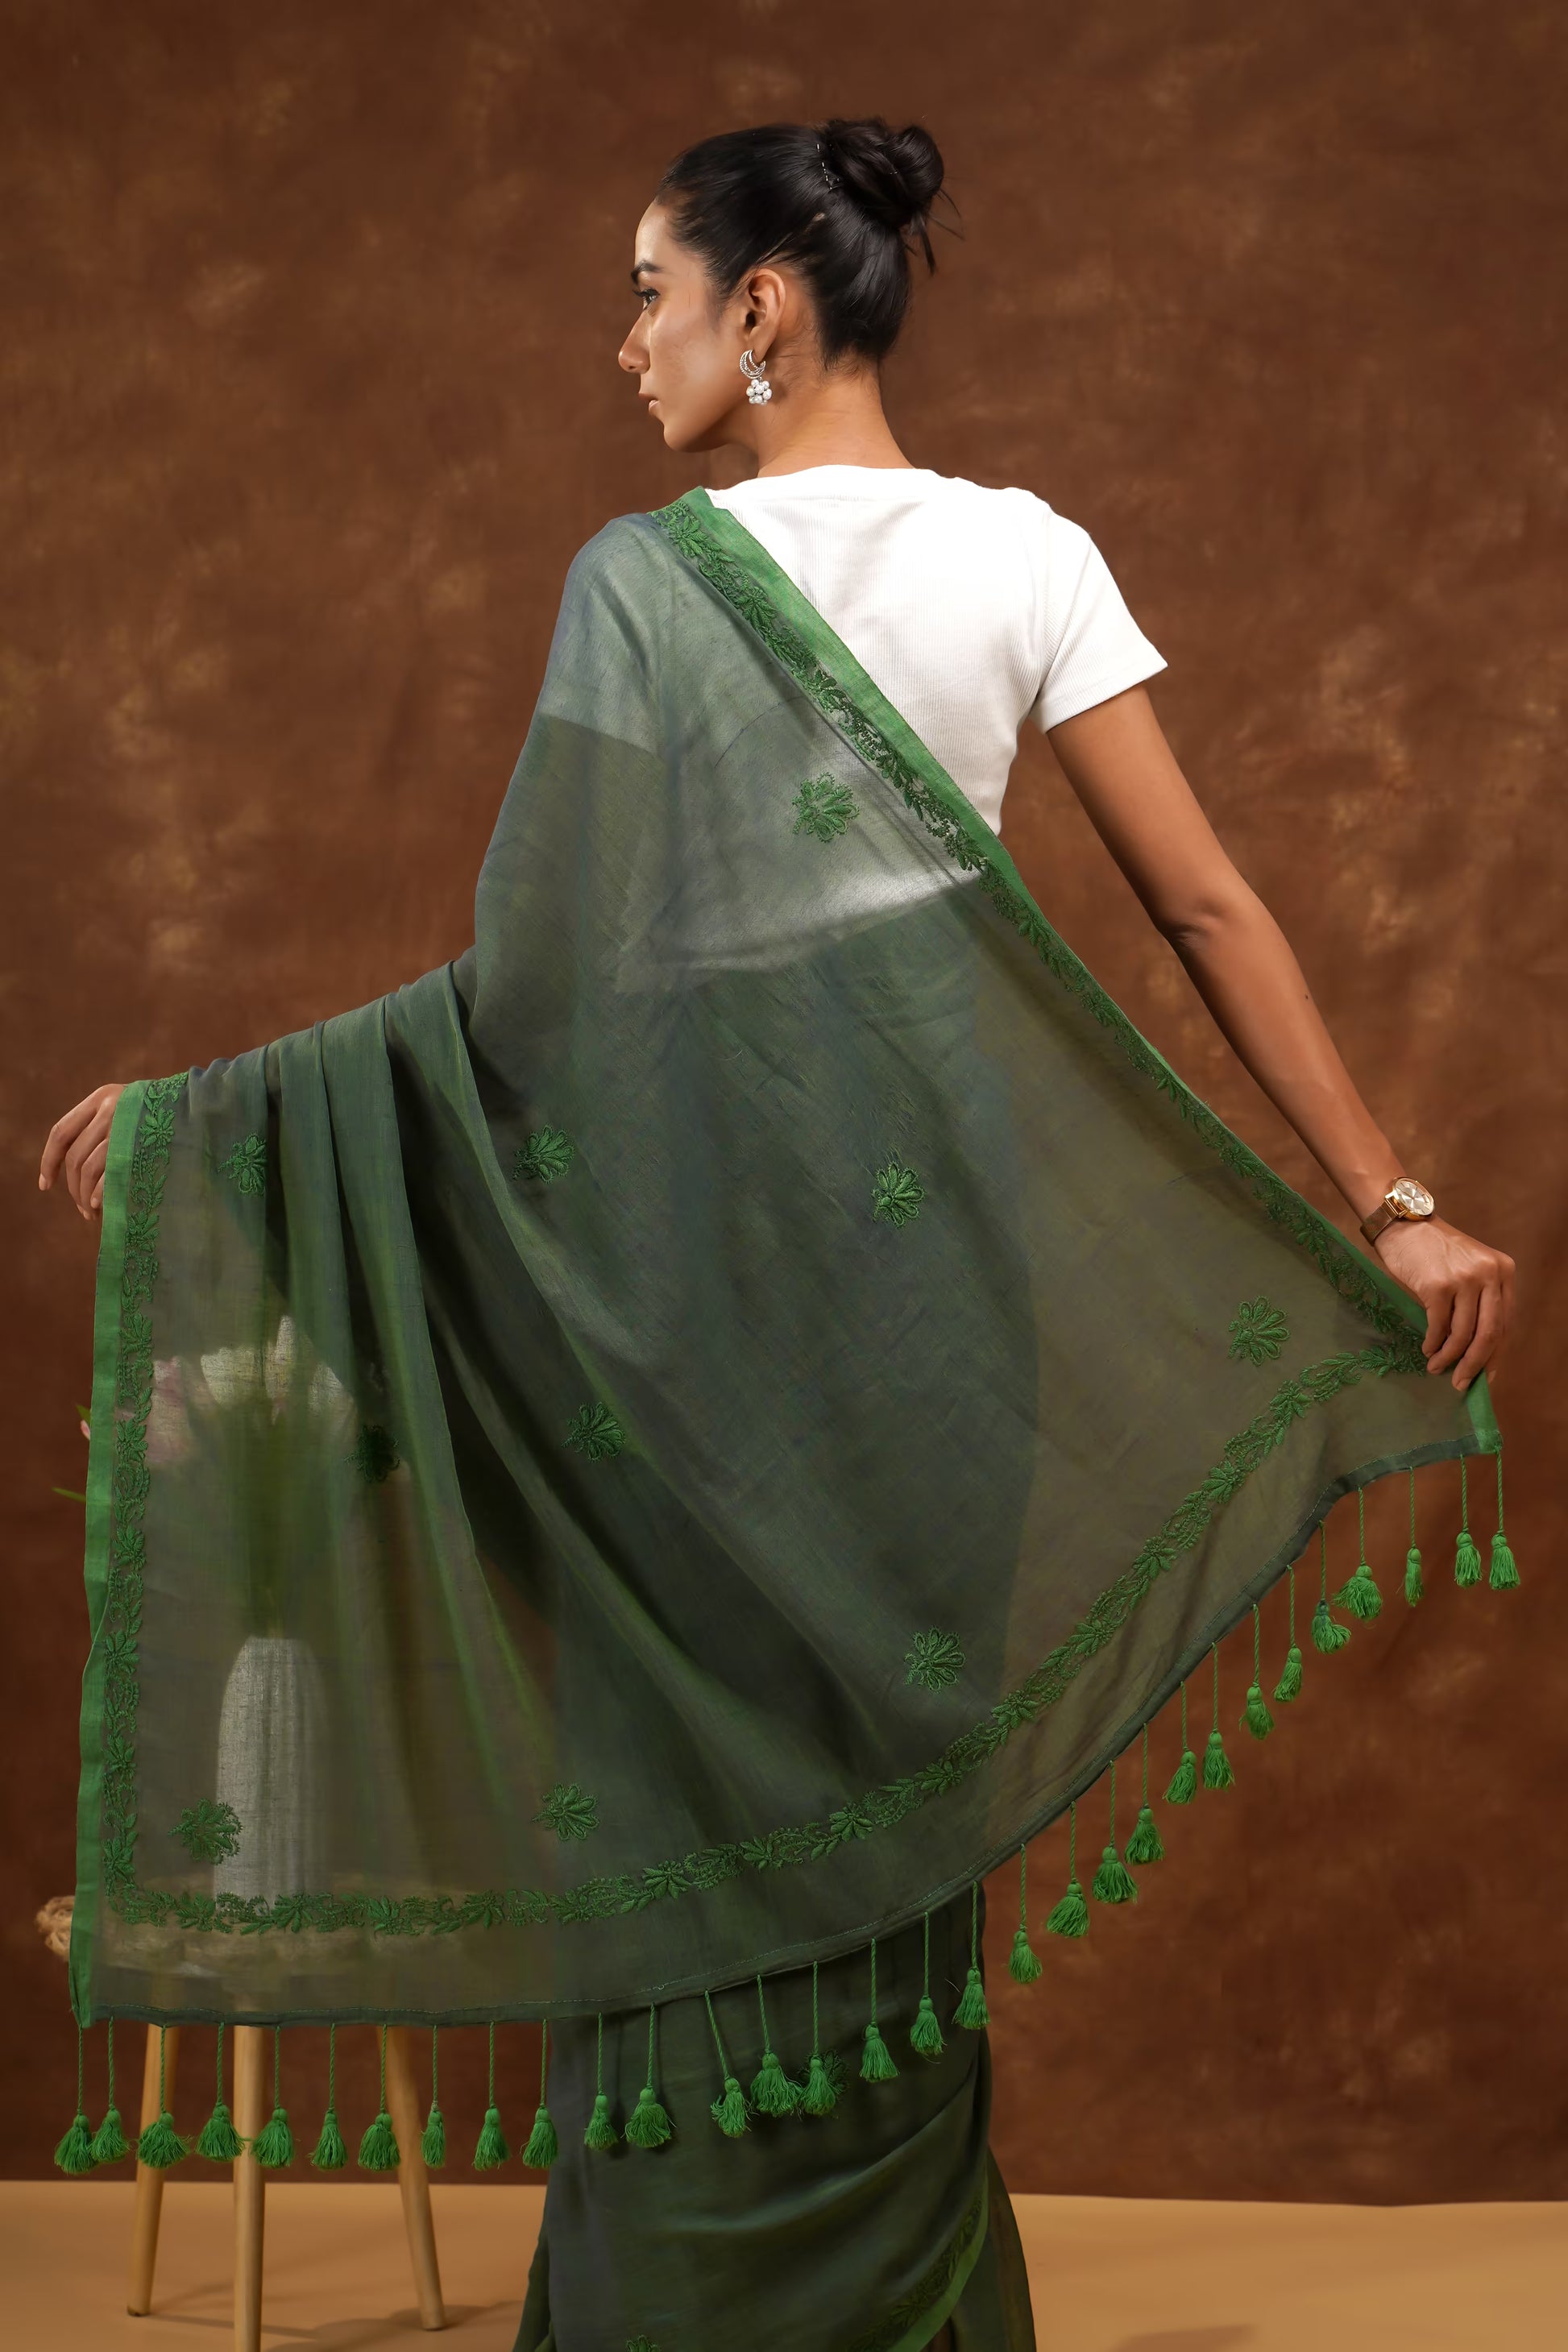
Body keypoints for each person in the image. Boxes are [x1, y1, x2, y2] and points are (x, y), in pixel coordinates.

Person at [41, 119, 1513, 2352]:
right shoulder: (935, 562)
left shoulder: (738, 574)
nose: (618, 338)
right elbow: (1188, 907)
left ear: (764, 308)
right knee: (825, 1789)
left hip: (727, 1294)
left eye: (646, 288)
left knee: (778, 1789)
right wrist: (1383, 1207)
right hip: (911, 1291)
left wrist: (217, 1117)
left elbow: (557, 990)